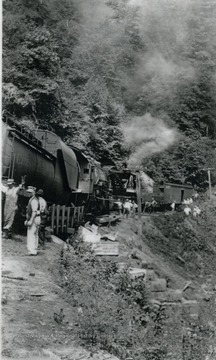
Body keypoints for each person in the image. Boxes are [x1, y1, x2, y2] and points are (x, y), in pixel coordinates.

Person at [25, 186, 41, 256]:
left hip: (34, 219)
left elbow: (34, 212)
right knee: (35, 234)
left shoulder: (33, 200)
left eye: (30, 192)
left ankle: (32, 251)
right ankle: (35, 249)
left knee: (31, 234)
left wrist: (31, 220)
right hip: (37, 219)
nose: (28, 193)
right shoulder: (34, 199)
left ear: (34, 192)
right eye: (28, 192)